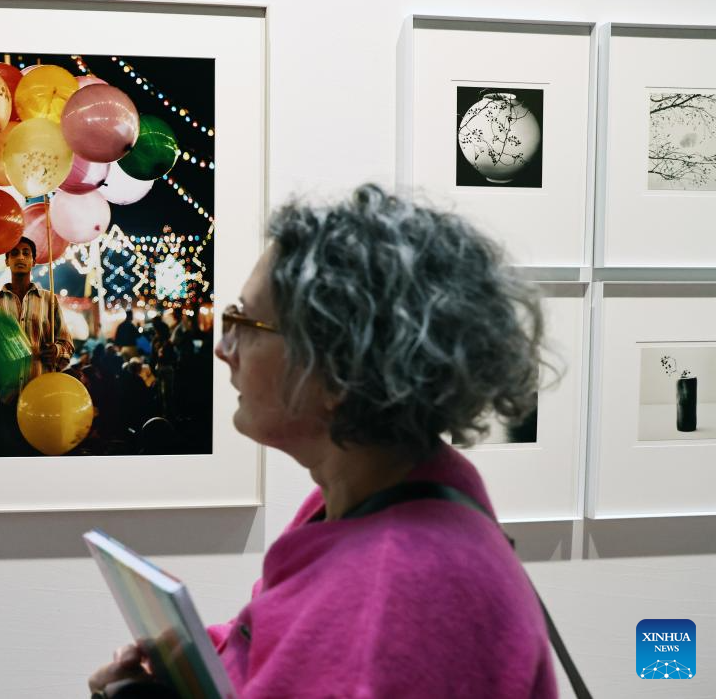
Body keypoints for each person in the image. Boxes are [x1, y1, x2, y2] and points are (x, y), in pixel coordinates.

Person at [89, 184, 558, 697]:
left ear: (338, 369)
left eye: (245, 323)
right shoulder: (365, 496)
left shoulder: (400, 592)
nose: (224, 348)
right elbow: (270, 636)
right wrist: (181, 663)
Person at [0, 236, 74, 449]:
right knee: (7, 455)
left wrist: (56, 351)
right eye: (14, 253)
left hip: (42, 396)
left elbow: (67, 344)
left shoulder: (49, 300)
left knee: (38, 456)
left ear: (33, 261)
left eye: (26, 253)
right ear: (7, 260)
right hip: (5, 399)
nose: (20, 257)